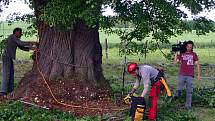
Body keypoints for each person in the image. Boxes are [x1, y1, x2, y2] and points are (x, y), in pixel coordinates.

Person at [0, 27, 37, 96]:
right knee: (6, 74)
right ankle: (3, 92)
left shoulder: (15, 39)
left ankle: (10, 90)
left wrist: (31, 48)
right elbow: (21, 43)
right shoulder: (12, 37)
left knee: (11, 74)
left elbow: (22, 47)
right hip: (7, 57)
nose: (21, 34)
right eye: (20, 32)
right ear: (16, 32)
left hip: (10, 58)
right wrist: (32, 43)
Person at [173, 40, 200, 109]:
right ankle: (176, 99)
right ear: (186, 46)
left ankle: (188, 106)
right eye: (188, 46)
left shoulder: (194, 54)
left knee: (189, 91)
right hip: (182, 74)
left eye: (190, 47)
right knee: (179, 89)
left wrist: (199, 75)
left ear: (192, 47)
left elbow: (198, 64)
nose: (189, 48)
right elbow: (175, 63)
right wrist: (176, 53)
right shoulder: (182, 54)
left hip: (190, 75)